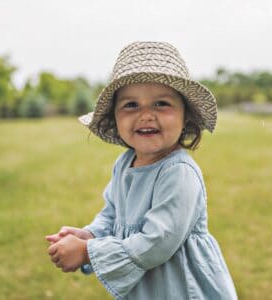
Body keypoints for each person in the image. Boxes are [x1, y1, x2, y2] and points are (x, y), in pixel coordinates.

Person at [45, 41, 238, 300]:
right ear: (115, 117)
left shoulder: (179, 172)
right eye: (131, 105)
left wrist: (89, 251)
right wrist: (90, 234)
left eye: (161, 103)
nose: (146, 115)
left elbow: (157, 242)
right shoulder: (124, 164)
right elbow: (111, 214)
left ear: (186, 116)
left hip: (181, 286)